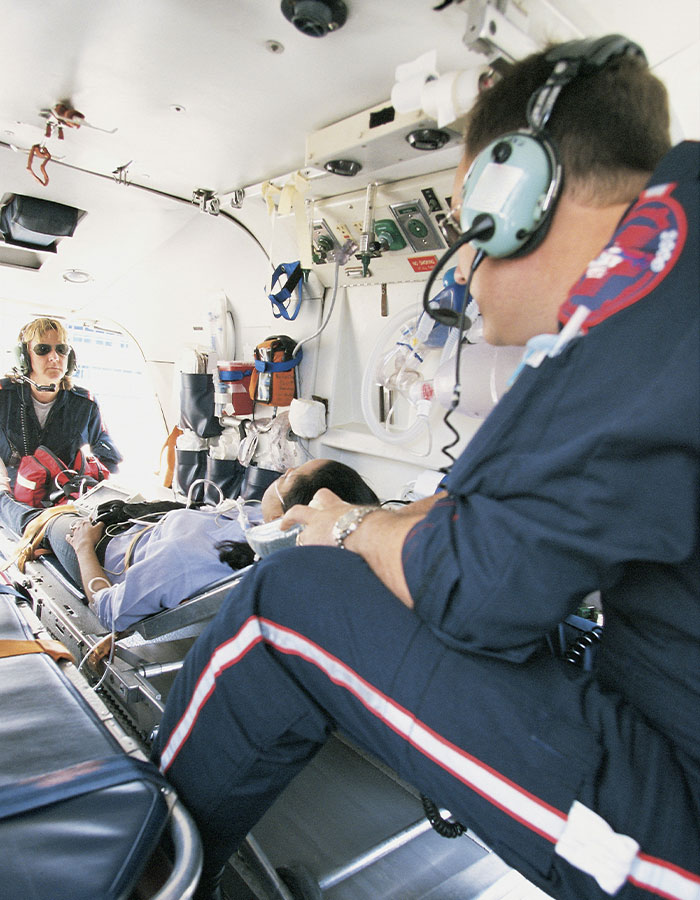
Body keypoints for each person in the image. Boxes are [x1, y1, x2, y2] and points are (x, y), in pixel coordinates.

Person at [152, 36, 699, 900]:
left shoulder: (646, 297)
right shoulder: (674, 283)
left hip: (686, 823)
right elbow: (488, 529)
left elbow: (472, 589)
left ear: (516, 197)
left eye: (467, 225)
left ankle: (128, 872)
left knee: (284, 604)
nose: (468, 274)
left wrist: (346, 526)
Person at [23, 458, 376, 631]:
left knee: (46, 518)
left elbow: (109, 611)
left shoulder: (187, 561)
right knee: (79, 501)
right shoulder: (260, 520)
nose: (282, 473)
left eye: (288, 476)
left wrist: (84, 545)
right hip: (139, 525)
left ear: (294, 514)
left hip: (105, 551)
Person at [0, 317, 122, 494]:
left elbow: (110, 457)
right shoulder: (3, 397)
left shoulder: (85, 404)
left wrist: (83, 481)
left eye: (61, 349)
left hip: (61, 501)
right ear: (24, 358)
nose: (54, 357)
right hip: (10, 502)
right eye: (42, 349)